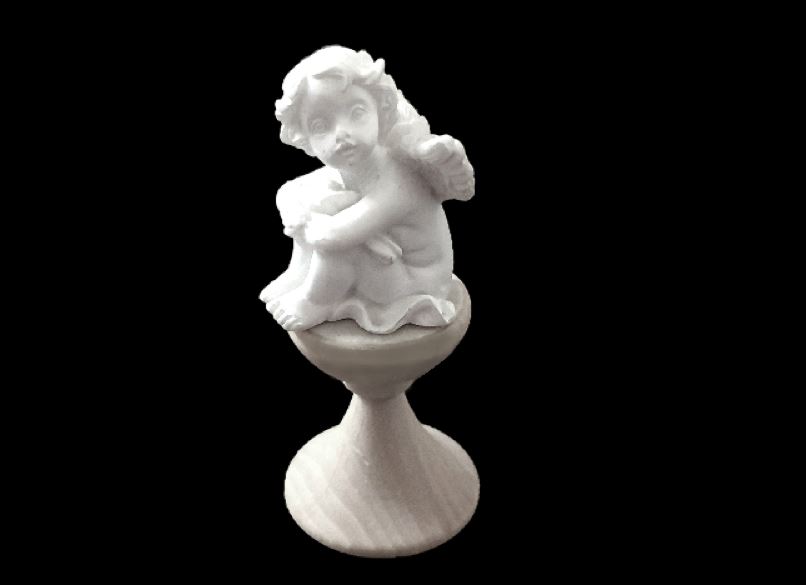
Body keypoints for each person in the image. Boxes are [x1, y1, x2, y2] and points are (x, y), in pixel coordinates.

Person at [260, 46, 474, 334]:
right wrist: (320, 217)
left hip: (416, 280)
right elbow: (288, 192)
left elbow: (331, 237)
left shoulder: (398, 179)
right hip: (388, 263)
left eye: (357, 112)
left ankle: (315, 302)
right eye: (321, 125)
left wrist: (319, 221)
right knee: (318, 202)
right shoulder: (350, 167)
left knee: (339, 244)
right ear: (306, 138)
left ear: (381, 109)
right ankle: (299, 276)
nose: (341, 134)